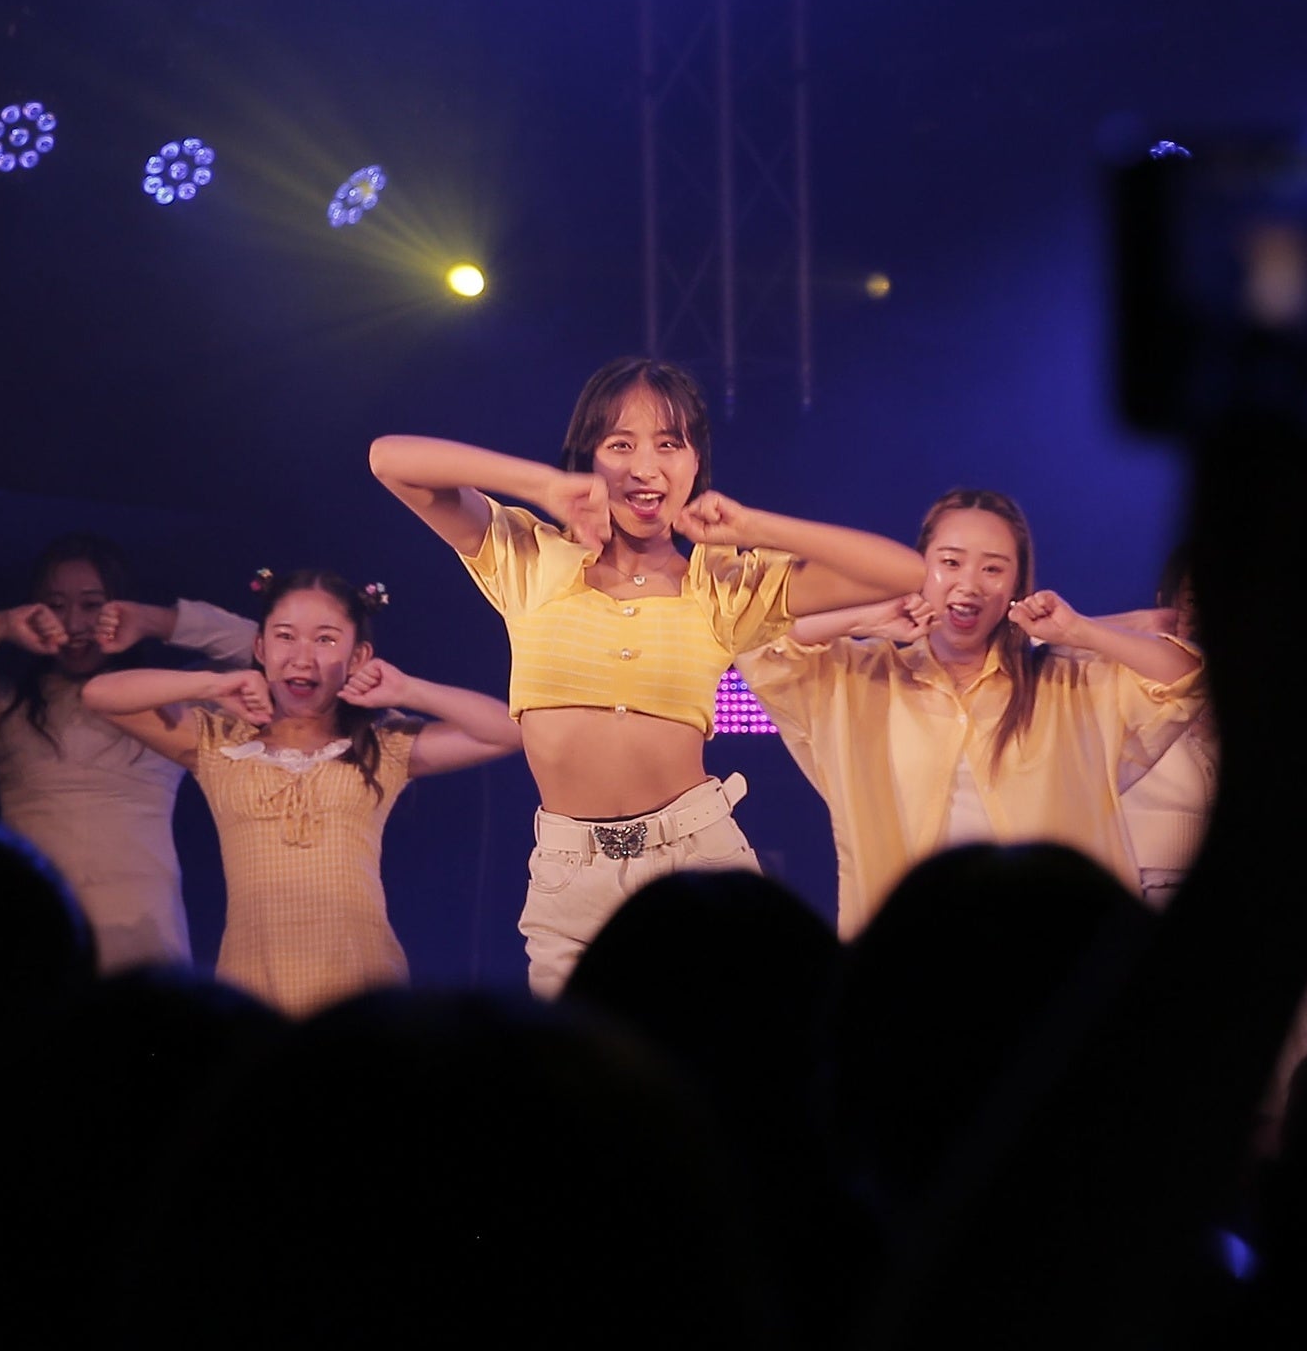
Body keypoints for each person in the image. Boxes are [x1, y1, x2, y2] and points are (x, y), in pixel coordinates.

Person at [371, 359, 925, 995]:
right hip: (570, 874)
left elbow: (906, 574)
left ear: (695, 463)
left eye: (669, 444)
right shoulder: (530, 559)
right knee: (582, 1057)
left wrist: (754, 527)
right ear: (588, 456)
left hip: (697, 857)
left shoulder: (721, 585)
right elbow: (390, 460)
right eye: (619, 445)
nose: (644, 467)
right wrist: (543, 485)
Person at [746, 489, 1205, 940]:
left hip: (1056, 957)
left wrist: (1079, 630)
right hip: (907, 959)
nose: (969, 584)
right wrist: (861, 620)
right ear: (920, 569)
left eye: (993, 569)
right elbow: (758, 645)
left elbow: (1189, 678)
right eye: (950, 563)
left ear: (1017, 584)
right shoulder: (860, 680)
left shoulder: (1066, 683)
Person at [82, 569, 521, 1017]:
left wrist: (409, 690)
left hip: (360, 987)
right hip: (253, 987)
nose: (302, 657)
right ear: (260, 648)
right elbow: (100, 695)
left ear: (358, 656)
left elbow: (509, 732)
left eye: (326, 639)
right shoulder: (219, 742)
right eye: (285, 637)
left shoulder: (382, 745)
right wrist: (212, 685)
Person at [1109, 549, 1307, 1115]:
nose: (1203, 615)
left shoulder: (1272, 698)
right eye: (1192, 600)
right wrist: (1139, 624)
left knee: (1295, 1087)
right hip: (1150, 903)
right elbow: (1035, 642)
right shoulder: (1117, 682)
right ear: (1165, 602)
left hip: (1247, 907)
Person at [0, 533, 258, 974]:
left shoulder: (170, 705)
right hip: (36, 930)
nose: (74, 623)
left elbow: (261, 651)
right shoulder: (2, 707)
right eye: (55, 605)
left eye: (92, 604)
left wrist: (154, 620)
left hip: (143, 938)